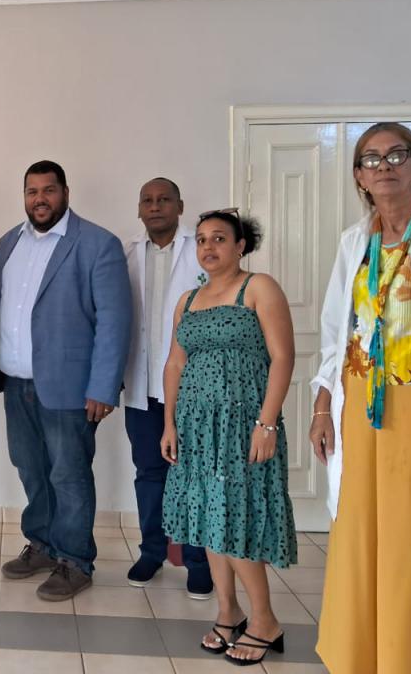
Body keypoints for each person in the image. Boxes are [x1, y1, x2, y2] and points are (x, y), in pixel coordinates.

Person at [309, 122, 411, 674]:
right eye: (371, 159)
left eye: (397, 155)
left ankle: (407, 657)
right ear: (359, 177)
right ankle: (357, 655)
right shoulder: (354, 241)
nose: (384, 167)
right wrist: (321, 406)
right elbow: (336, 329)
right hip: (359, 403)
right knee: (358, 529)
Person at [161, 210, 297, 666]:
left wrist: (267, 423)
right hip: (196, 428)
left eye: (219, 238)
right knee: (206, 517)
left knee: (234, 517)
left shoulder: (258, 288)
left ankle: (265, 620)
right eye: (201, 239)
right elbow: (175, 363)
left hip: (243, 427)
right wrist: (169, 423)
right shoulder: (188, 299)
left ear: (241, 245)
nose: (208, 247)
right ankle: (228, 611)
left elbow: (283, 358)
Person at [0, 160, 132, 601]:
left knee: (68, 474)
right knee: (30, 468)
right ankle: (42, 543)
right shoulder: (8, 243)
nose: (40, 199)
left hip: (71, 387)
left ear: (65, 193)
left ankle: (74, 560)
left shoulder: (97, 244)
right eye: (32, 191)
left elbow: (114, 322)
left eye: (48, 190)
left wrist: (103, 387)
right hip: (16, 383)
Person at [122, 178, 212, 598]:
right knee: (149, 473)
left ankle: (198, 561)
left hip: (192, 388)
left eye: (164, 200)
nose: (155, 206)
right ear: (139, 208)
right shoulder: (126, 253)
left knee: (193, 474)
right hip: (141, 384)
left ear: (180, 206)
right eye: (147, 200)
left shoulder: (201, 249)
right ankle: (152, 552)